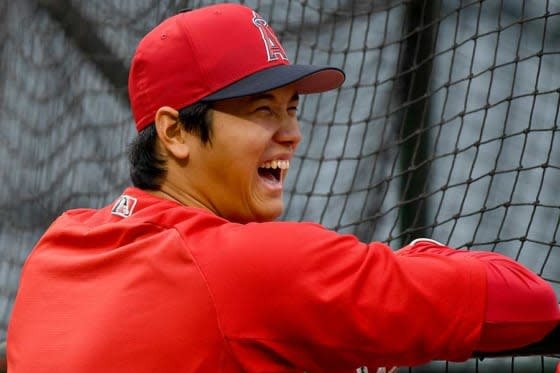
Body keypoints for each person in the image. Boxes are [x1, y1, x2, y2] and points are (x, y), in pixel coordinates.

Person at [7, 3, 560, 373]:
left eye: (292, 108)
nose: (291, 133)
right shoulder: (251, 267)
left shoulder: (58, 249)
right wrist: (418, 258)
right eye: (262, 110)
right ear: (175, 131)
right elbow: (528, 304)